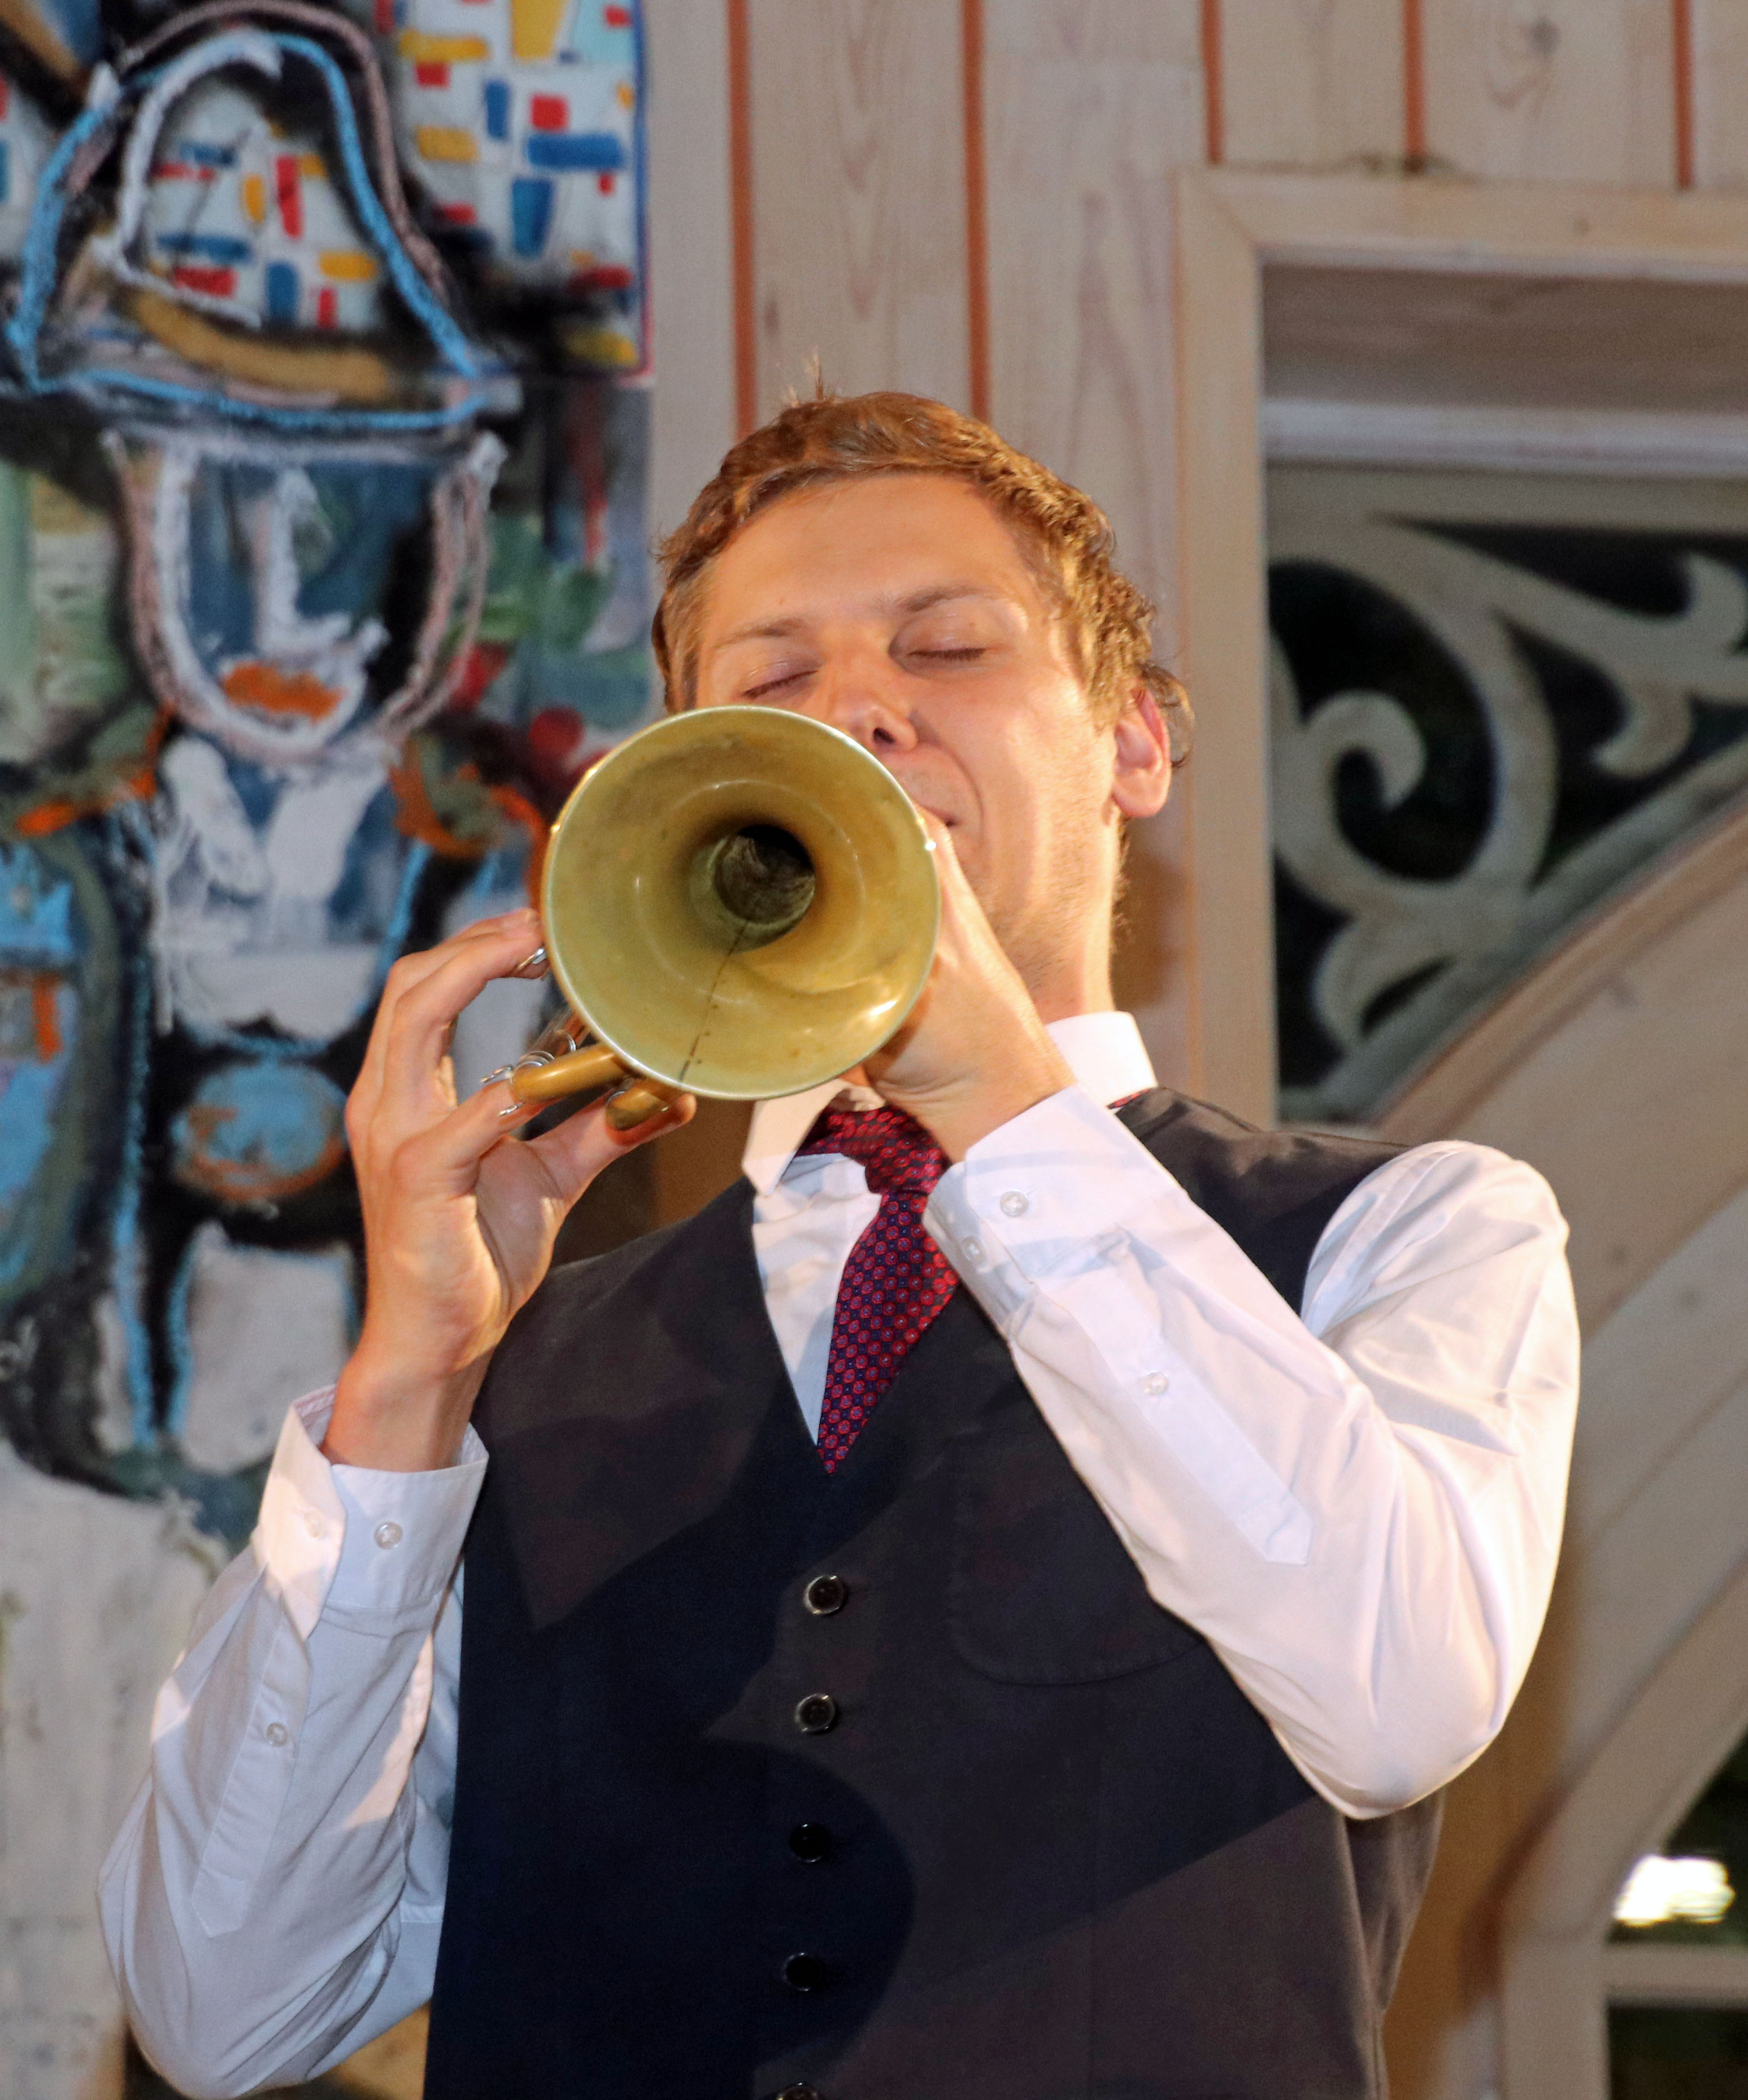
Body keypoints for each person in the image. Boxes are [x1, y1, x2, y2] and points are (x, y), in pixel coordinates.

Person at [101, 393, 1580, 2100]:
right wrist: (405, 1396)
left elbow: (1396, 1699)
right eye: (775, 682)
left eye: (947, 646)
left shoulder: (1411, 1232)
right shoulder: (528, 1361)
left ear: (1135, 745)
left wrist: (996, 1100)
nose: (858, 712)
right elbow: (224, 2012)